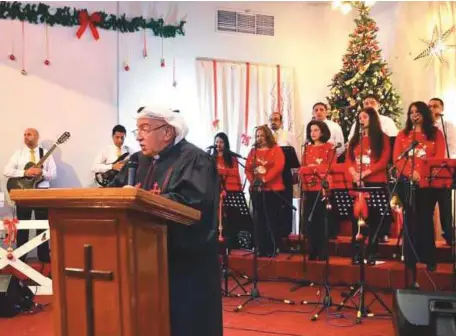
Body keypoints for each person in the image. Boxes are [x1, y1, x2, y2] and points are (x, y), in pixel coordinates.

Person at [130, 106, 222, 336]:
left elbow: (192, 204)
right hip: (148, 260)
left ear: (168, 132)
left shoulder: (195, 159)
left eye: (145, 129)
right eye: (137, 129)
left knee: (187, 324)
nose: (139, 136)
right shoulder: (138, 161)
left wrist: (148, 200)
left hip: (186, 262)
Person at [393, 101, 445, 272]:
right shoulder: (403, 134)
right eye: (411, 112)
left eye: (417, 112)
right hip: (407, 184)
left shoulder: (435, 134)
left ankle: (428, 258)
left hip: (428, 184)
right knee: (410, 219)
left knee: (425, 220)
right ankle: (410, 259)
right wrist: (409, 174)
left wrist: (421, 175)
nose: (414, 115)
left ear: (424, 114)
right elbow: (398, 159)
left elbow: (438, 157)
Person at [3, 128, 57, 262]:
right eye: (25, 134)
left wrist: (42, 173)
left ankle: (44, 257)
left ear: (37, 137)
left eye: (29, 134)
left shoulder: (45, 153)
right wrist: (25, 173)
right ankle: (21, 258)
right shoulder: (19, 153)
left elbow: (54, 175)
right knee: (22, 226)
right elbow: (6, 170)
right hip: (24, 193)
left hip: (41, 193)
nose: (26, 137)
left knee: (43, 225)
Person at [346, 107, 391, 266]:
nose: (361, 119)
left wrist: (365, 174)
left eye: (365, 117)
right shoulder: (355, 139)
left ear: (372, 119)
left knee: (374, 219)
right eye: (360, 117)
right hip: (358, 182)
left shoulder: (382, 138)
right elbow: (348, 159)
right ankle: (357, 253)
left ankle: (372, 252)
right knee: (357, 219)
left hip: (376, 182)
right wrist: (354, 174)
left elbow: (384, 161)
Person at [245, 124, 285, 257]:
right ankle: (260, 247)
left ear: (267, 136)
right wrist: (254, 182)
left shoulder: (276, 149)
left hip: (272, 189)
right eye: (257, 136)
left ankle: (272, 248)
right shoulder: (253, 151)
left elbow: (278, 166)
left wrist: (265, 180)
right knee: (259, 219)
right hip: (257, 190)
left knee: (271, 219)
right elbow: (248, 169)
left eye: (262, 135)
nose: (259, 138)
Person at [301, 120, 336, 260]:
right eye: (311, 130)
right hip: (309, 187)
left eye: (316, 130)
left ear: (322, 131)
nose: (313, 133)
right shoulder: (307, 148)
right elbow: (303, 168)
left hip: (323, 187)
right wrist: (310, 170)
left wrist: (314, 169)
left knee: (322, 220)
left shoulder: (330, 147)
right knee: (310, 220)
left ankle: (322, 250)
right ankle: (312, 249)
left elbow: (331, 167)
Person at [269, 112, 298, 248]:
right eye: (271, 120)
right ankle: (273, 232)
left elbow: (296, 155)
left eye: (275, 119)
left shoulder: (288, 135)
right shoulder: (266, 137)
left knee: (285, 202)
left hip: (285, 174)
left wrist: (296, 174)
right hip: (270, 176)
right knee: (273, 204)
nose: (273, 122)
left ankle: (285, 232)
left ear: (281, 121)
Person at [429, 97, 456, 245]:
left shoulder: (447, 125)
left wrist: (446, 164)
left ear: (442, 109)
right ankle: (428, 237)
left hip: (444, 169)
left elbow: (452, 147)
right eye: (429, 106)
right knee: (428, 205)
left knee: (445, 203)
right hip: (428, 171)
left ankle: (448, 235)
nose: (432, 109)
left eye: (435, 106)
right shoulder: (425, 127)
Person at [212, 132, 244, 248]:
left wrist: (239, 191)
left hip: (230, 191)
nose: (218, 144)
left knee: (232, 217)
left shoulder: (232, 158)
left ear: (225, 144)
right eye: (216, 142)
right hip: (216, 193)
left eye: (221, 142)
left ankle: (233, 243)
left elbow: (236, 176)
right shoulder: (211, 158)